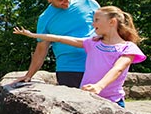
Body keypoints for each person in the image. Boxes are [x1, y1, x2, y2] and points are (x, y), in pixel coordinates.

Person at [13, 6, 146, 107]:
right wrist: (34, 35)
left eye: (97, 20)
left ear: (112, 22)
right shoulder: (92, 43)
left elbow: (117, 69)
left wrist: (99, 86)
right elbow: (60, 38)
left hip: (113, 102)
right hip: (88, 99)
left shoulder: (128, 48)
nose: (93, 24)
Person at [16, 0, 100, 87]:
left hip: (99, 66)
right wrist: (29, 75)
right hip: (69, 71)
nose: (67, 2)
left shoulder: (88, 3)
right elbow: (41, 50)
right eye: (61, 0)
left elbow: (108, 29)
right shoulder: (45, 18)